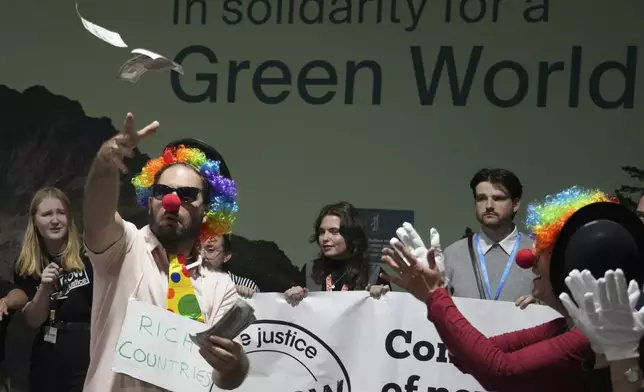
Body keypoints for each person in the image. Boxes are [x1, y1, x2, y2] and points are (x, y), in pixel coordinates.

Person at [382, 186, 644, 392]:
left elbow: (500, 370)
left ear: (569, 264)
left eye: (542, 252)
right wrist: (439, 288)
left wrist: (435, 295)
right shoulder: (565, 327)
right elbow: (466, 355)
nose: (529, 261)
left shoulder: (596, 334)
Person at [82, 114, 248, 391]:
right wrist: (104, 165)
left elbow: (225, 379)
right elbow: (96, 215)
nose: (171, 202)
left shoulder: (221, 288)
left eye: (186, 195)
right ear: (150, 197)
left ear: (209, 207)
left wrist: (235, 364)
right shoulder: (124, 247)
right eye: (162, 191)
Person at [14, 187, 93, 392]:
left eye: (61, 212)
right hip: (48, 353)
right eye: (47, 214)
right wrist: (44, 288)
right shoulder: (27, 264)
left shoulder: (88, 253)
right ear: (35, 220)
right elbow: (33, 320)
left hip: (87, 347)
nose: (55, 220)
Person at [442, 168, 536, 307]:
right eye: (481, 198)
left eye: (498, 198)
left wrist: (544, 305)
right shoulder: (452, 254)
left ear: (515, 204)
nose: (489, 206)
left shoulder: (539, 254)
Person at [285, 201, 389, 305]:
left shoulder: (374, 274)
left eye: (334, 231)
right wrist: (292, 296)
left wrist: (382, 297)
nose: (325, 238)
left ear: (352, 235)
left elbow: (389, 314)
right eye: (321, 232)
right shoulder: (310, 271)